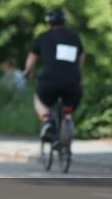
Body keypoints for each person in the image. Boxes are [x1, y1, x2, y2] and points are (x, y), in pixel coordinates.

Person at [23, 8, 85, 140]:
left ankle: (46, 121)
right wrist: (76, 72)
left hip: (49, 82)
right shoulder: (74, 37)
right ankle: (67, 129)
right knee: (68, 111)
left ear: (49, 23)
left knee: (39, 98)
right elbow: (81, 56)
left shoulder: (43, 37)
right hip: (72, 84)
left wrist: (28, 72)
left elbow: (31, 58)